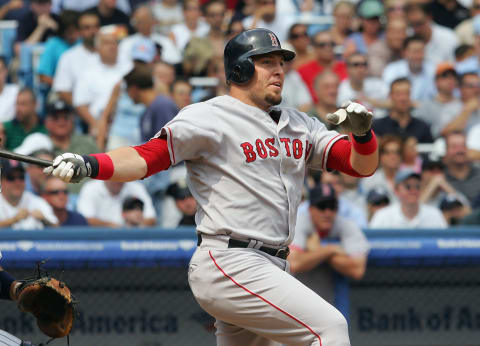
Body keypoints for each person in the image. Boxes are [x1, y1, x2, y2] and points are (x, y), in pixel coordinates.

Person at [44, 28, 379, 346]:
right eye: (267, 63)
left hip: (272, 265)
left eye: (281, 63)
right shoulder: (209, 116)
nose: (278, 71)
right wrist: (91, 163)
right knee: (329, 327)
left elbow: (359, 165)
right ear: (241, 68)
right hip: (230, 260)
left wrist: (363, 136)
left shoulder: (300, 123)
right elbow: (149, 157)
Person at [288, 183, 369, 304]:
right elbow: (293, 264)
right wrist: (329, 250)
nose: (327, 212)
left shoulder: (345, 224)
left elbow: (357, 270)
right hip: (295, 299)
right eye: (322, 206)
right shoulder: (300, 221)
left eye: (332, 206)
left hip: (331, 302)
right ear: (310, 209)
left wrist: (319, 250)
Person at [369, 169, 448, 229]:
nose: (413, 191)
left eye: (417, 186)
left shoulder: (434, 214)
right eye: (408, 187)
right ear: (396, 190)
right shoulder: (382, 216)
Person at [52, 10, 100, 106]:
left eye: (96, 27)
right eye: (87, 28)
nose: (92, 31)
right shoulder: (68, 57)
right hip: (80, 112)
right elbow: (63, 91)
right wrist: (86, 113)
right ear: (80, 32)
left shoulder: (112, 54)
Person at [372, 78, 434, 143]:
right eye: (398, 94)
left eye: (407, 93)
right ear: (390, 96)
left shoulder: (422, 127)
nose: (403, 98)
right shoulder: (377, 127)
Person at [0, 159, 58, 229]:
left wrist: (44, 220)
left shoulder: (37, 202)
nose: (17, 182)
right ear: (1, 180)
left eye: (21, 177)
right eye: (11, 178)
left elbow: (57, 229)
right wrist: (13, 220)